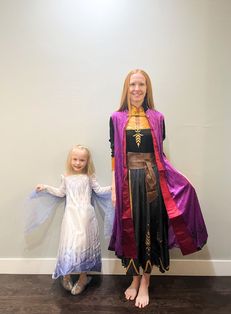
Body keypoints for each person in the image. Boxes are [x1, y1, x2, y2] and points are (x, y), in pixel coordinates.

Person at [108, 69, 208, 308]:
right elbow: (114, 155)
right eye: (133, 84)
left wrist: (179, 177)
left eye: (141, 84)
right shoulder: (116, 118)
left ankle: (145, 282)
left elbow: (159, 155)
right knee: (132, 230)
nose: (137, 89)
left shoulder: (158, 117)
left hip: (153, 179)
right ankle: (133, 279)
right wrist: (113, 188)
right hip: (127, 183)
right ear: (126, 88)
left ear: (147, 88)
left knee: (150, 229)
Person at [33, 144, 112, 295]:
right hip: (70, 216)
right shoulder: (66, 177)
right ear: (70, 159)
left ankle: (83, 278)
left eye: (82, 160)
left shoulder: (89, 177)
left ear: (87, 162)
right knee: (69, 244)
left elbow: (100, 191)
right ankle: (66, 274)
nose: (77, 163)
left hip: (86, 217)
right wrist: (45, 187)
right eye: (75, 159)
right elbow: (60, 192)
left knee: (84, 244)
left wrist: (112, 188)